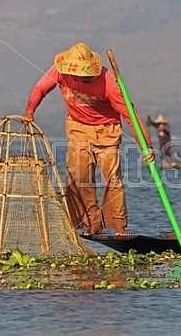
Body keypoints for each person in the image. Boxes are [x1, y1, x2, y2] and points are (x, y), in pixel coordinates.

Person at [23, 42, 155, 237]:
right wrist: (30, 110)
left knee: (112, 178)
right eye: (74, 75)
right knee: (79, 177)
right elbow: (40, 88)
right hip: (77, 128)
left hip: (106, 130)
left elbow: (130, 115)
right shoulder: (62, 71)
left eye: (82, 76)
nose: (76, 78)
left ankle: (119, 226)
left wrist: (146, 146)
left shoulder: (108, 83)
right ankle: (94, 223)